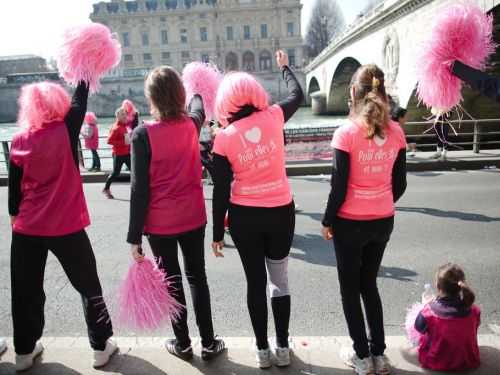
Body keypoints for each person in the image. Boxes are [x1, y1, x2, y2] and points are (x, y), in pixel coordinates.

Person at [8, 81, 116, 372]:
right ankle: (100, 346)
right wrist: (83, 73)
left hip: (27, 227)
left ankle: (23, 352)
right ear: (58, 104)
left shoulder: (18, 141)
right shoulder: (66, 130)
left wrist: (14, 216)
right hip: (65, 226)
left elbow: (14, 192)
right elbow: (79, 102)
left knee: (25, 290)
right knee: (88, 285)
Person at [211, 50, 303, 369]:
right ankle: (282, 347)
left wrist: (216, 233)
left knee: (254, 283)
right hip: (280, 210)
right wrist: (284, 67)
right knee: (279, 281)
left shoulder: (223, 139)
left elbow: (221, 190)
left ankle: (262, 350)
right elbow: (297, 94)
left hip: (244, 217)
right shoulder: (275, 116)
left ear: (225, 102)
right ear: (254, 92)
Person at [127, 66, 225, 361]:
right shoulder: (192, 124)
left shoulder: (142, 134)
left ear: (152, 98)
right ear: (179, 93)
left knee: (172, 280)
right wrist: (194, 82)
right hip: (193, 216)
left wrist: (134, 237)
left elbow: (138, 190)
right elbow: (198, 104)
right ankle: (209, 342)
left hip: (160, 223)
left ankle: (182, 343)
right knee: (198, 277)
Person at [321, 64, 407, 375]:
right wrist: (380, 200)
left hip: (349, 223)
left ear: (352, 94)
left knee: (350, 289)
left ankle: (361, 356)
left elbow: (339, 186)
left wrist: (328, 220)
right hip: (383, 220)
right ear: (383, 93)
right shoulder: (396, 132)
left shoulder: (345, 133)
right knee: (369, 284)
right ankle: (379, 355)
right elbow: (400, 185)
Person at [414, 263, 480, 371]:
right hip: (468, 360)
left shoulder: (429, 312)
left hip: (436, 361)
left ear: (438, 286)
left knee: (419, 338)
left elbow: (418, 327)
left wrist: (425, 305)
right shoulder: (474, 310)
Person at [103, 108, 131, 199]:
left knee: (134, 171)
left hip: (126, 153)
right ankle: (106, 188)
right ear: (117, 116)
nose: (125, 116)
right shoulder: (116, 128)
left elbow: (126, 140)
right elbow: (109, 141)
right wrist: (123, 143)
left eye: (125, 114)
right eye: (122, 114)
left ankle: (138, 189)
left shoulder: (123, 126)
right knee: (116, 173)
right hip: (118, 154)